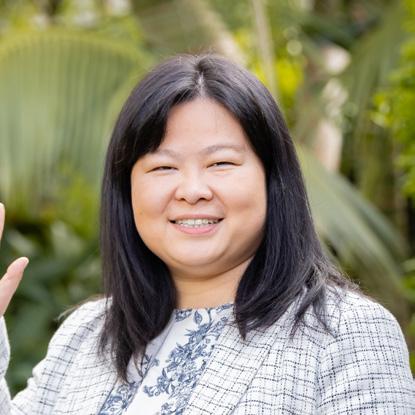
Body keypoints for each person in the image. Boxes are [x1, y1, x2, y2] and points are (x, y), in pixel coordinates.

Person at [0, 54, 414, 415]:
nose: (192, 190)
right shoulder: (88, 334)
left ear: (273, 179)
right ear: (126, 191)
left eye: (221, 164)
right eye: (163, 167)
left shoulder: (345, 332)